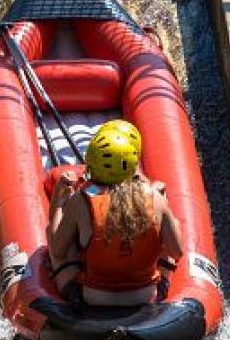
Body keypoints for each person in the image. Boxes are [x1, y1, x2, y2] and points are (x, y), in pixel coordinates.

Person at [47, 120, 184, 307]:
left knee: (56, 235)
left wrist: (59, 202)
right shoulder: (154, 197)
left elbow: (57, 250)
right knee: (171, 225)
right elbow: (176, 251)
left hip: (92, 299)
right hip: (147, 297)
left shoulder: (80, 200)